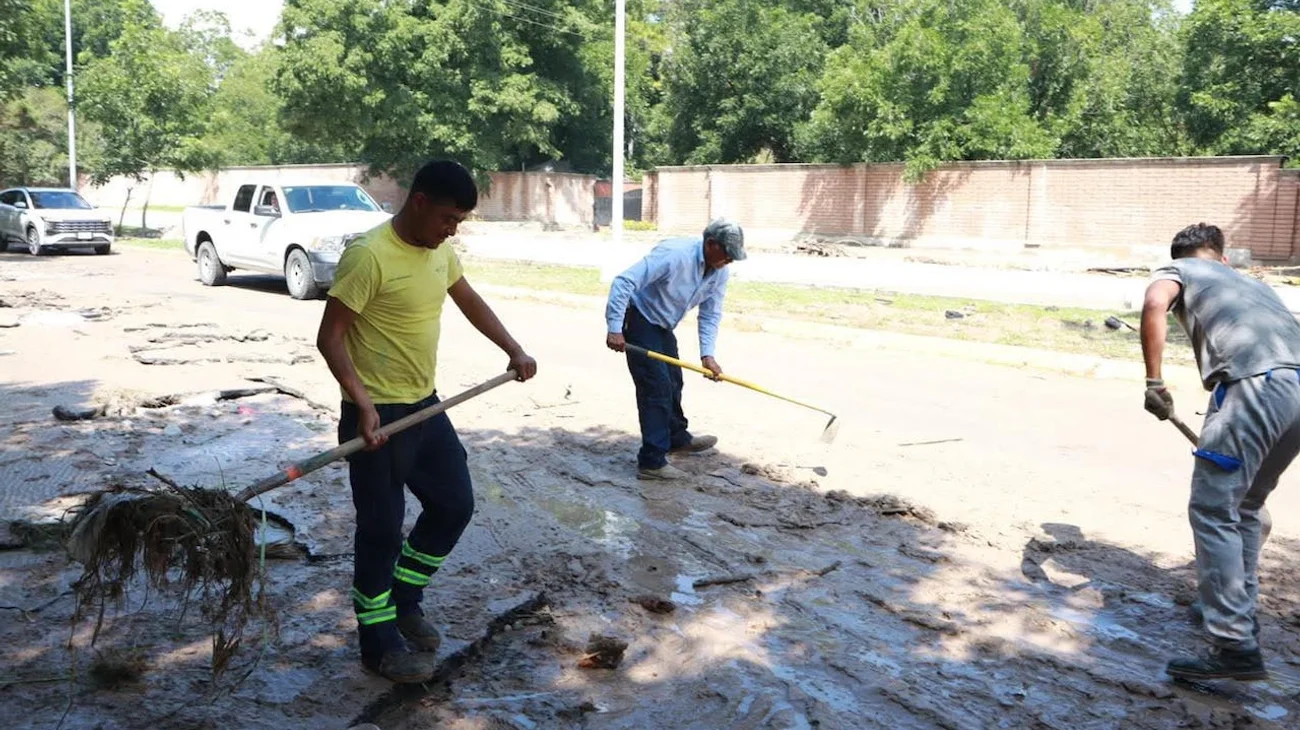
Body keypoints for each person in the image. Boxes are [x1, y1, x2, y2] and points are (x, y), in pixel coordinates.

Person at [315, 159, 538, 684]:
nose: (452, 229)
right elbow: (330, 337)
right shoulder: (369, 256)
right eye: (447, 217)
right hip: (376, 417)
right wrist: (363, 403)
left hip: (424, 408)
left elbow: (468, 301)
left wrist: (514, 348)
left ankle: (405, 597)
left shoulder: (441, 252)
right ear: (418, 202)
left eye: (459, 220)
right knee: (381, 529)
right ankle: (378, 642)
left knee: (454, 504)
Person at [1140, 222, 1300, 682]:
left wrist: (1154, 382)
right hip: (1294, 386)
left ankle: (1232, 644)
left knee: (1213, 509)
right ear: (1223, 257)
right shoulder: (1250, 282)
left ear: (1184, 257)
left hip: (1253, 387)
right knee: (1246, 506)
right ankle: (1231, 611)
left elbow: (1154, 303)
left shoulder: (1179, 268)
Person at [604, 218, 746, 480]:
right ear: (711, 244)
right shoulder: (675, 255)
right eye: (727, 255)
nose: (729, 262)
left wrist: (707, 355)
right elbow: (624, 282)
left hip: (663, 325)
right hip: (639, 318)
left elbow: (710, 314)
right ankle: (652, 462)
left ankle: (676, 438)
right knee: (655, 387)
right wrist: (614, 328)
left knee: (673, 380)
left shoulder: (719, 271)